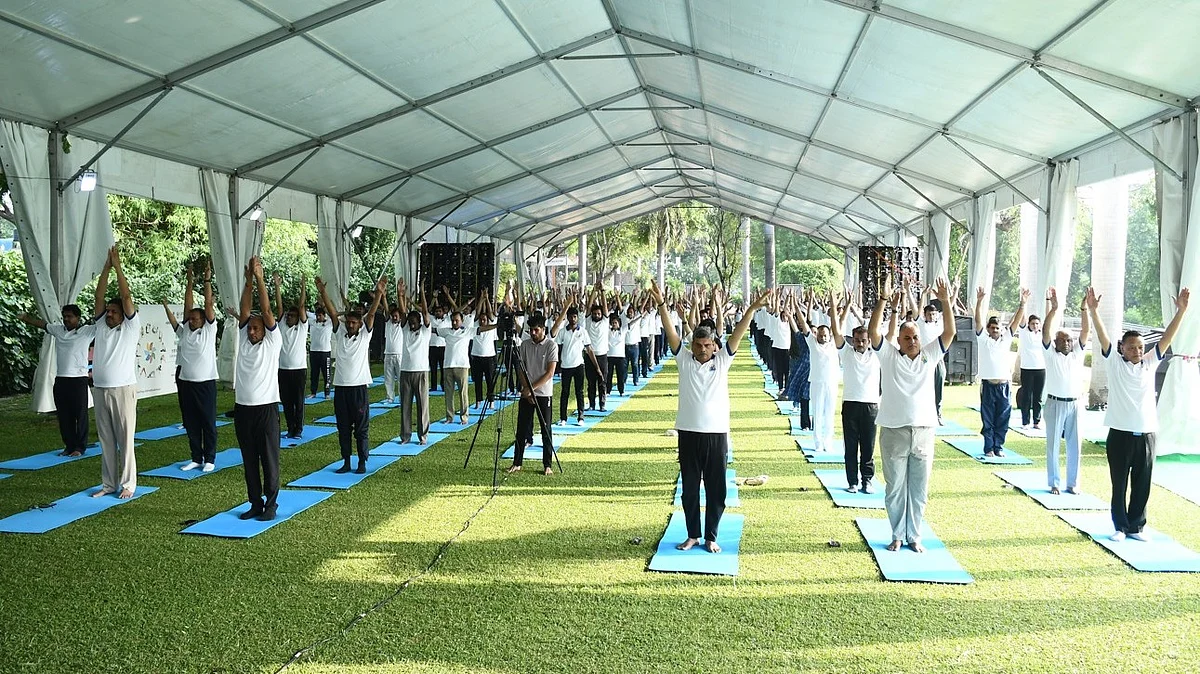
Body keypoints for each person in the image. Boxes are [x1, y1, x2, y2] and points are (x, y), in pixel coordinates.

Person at [652, 280, 770, 553]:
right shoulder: (684, 359)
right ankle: (693, 534)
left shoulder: (722, 360)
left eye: (707, 345)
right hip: (689, 433)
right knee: (690, 488)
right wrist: (661, 305)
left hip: (717, 434)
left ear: (715, 346)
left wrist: (752, 307)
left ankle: (711, 536)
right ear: (692, 345)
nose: (702, 349)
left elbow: (738, 333)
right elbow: (671, 331)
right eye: (698, 345)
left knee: (716, 490)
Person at [1087, 285, 1190, 541]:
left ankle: (1137, 526)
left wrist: (1181, 311)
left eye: (1141, 348)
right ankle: (1120, 527)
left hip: (1146, 433)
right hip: (1120, 433)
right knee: (1119, 482)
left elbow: (1167, 337)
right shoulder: (1114, 362)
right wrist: (1093, 311)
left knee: (1142, 483)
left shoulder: (1150, 363)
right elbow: (1102, 336)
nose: (1137, 351)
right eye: (1132, 347)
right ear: (1123, 348)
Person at [873, 277, 956, 552]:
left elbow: (949, 333)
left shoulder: (929, 356)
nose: (912, 341)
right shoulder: (888, 356)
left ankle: (914, 535)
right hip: (894, 432)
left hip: (923, 432)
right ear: (898, 340)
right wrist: (884, 301)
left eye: (916, 337)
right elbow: (874, 333)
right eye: (907, 338)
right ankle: (897, 534)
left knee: (919, 491)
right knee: (895, 488)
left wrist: (944, 301)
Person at [233, 257, 283, 520]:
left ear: (265, 330)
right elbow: (245, 309)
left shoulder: (273, 341)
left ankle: (271, 506)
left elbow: (264, 311)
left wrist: (261, 279)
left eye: (255, 329)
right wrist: (248, 280)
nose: (251, 331)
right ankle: (255, 503)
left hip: (266, 410)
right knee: (249, 461)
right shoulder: (243, 338)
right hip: (243, 410)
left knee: (269, 461)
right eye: (249, 329)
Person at [89, 247, 141, 499]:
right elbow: (98, 297)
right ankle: (109, 484)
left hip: (123, 389)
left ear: (123, 315)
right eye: (107, 311)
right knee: (106, 439)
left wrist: (118, 267)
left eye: (113, 312)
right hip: (100, 389)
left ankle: (128, 483)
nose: (108, 314)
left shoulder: (131, 327)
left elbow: (127, 296)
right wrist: (106, 268)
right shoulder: (101, 324)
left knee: (125, 439)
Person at [317, 275, 383, 473]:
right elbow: (331, 312)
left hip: (359, 389)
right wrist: (323, 292)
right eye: (349, 322)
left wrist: (378, 294)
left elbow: (371, 316)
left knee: (361, 429)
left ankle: (362, 462)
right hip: (342, 389)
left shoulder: (365, 335)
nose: (351, 325)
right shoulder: (340, 333)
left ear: (360, 324)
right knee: (343, 428)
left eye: (354, 322)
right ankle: (346, 461)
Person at [19, 304, 97, 458]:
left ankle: (79, 448)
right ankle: (69, 446)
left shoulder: (87, 331)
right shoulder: (58, 330)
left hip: (78, 380)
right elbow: (43, 325)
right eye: (65, 316)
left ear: (78, 318)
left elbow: (104, 324)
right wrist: (26, 318)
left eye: (70, 316)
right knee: (64, 415)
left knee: (80, 415)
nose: (67, 319)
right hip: (61, 379)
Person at [162, 263, 218, 469]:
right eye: (191, 318)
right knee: (191, 423)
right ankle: (196, 458)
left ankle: (210, 459)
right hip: (187, 383)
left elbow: (208, 305)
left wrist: (206, 280)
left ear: (204, 320)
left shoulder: (209, 330)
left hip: (205, 384)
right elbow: (187, 305)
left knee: (208, 423)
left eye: (196, 318)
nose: (192, 321)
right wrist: (188, 279)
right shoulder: (185, 331)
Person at [830, 291, 881, 493]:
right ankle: (852, 481)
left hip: (871, 405)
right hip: (850, 404)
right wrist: (835, 307)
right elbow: (836, 332)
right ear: (853, 340)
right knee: (851, 447)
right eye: (857, 340)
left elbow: (889, 331)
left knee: (868, 447)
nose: (860, 343)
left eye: (863, 340)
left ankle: (867, 480)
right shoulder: (846, 352)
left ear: (869, 340)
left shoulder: (876, 355)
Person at [1041, 287, 1089, 495]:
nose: (1068, 343)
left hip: (1076, 403)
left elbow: (1086, 332)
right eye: (1064, 340)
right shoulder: (1050, 354)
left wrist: (1083, 308)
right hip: (1054, 403)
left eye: (1070, 340)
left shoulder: (1077, 354)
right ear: (1056, 343)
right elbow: (1045, 331)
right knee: (1053, 445)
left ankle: (1073, 483)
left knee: (1075, 445)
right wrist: (1054, 309)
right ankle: (1054, 482)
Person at [974, 287, 1026, 457]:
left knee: (1003, 418)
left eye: (997, 328)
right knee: (988, 418)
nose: (995, 331)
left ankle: (999, 447)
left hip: (1004, 386)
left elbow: (1016, 322)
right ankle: (989, 447)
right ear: (988, 329)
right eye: (993, 328)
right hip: (989, 385)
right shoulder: (983, 340)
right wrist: (980, 301)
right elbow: (978, 322)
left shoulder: (1006, 339)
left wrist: (1022, 305)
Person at [507, 313, 558, 475]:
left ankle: (547, 465)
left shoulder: (551, 345)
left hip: (544, 393)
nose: (533, 333)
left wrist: (531, 388)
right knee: (522, 429)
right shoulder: (525, 345)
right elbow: (521, 369)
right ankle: (517, 462)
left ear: (543, 329)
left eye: (536, 330)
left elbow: (549, 373)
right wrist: (526, 389)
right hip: (527, 394)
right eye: (531, 330)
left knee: (545, 429)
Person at [792, 291, 840, 453]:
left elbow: (838, 323)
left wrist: (835, 306)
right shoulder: (812, 343)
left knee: (829, 414)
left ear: (829, 335)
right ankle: (818, 443)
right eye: (820, 335)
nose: (823, 337)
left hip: (832, 383)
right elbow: (804, 325)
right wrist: (796, 306)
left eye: (825, 335)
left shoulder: (834, 344)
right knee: (817, 413)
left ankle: (828, 441)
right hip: (817, 383)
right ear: (816, 335)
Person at [274, 273, 308, 440]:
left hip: (299, 369)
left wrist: (303, 285)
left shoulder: (301, 327)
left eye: (292, 316)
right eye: (288, 315)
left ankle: (299, 430)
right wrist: (277, 286)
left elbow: (301, 306)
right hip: (283, 369)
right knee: (286, 402)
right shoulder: (281, 326)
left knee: (298, 402)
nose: (288, 317)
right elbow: (279, 307)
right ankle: (290, 428)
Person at [552, 299, 597, 427]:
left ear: (577, 317)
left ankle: (581, 417)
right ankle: (563, 418)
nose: (573, 319)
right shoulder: (562, 331)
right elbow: (558, 348)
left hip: (579, 365)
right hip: (566, 366)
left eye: (575, 316)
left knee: (579, 392)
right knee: (564, 392)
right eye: (571, 316)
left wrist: (596, 366)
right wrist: (558, 365)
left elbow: (588, 348)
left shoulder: (582, 331)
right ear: (567, 317)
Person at [399, 283, 433, 444]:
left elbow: (425, 312)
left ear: (419, 321)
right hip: (405, 371)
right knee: (405, 406)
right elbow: (402, 312)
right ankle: (405, 436)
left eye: (414, 320)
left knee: (422, 406)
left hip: (421, 372)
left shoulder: (425, 331)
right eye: (410, 321)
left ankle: (423, 436)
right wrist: (400, 295)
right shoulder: (405, 330)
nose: (411, 323)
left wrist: (422, 292)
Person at [438, 309, 474, 425]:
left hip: (462, 366)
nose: (454, 323)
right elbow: (431, 329)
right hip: (448, 366)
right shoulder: (446, 331)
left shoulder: (467, 331)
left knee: (463, 393)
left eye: (457, 321)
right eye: (453, 321)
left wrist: (496, 325)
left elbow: (482, 329)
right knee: (448, 393)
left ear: (462, 321)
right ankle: (449, 417)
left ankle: (464, 417)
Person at [469, 288, 499, 409]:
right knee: (478, 381)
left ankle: (491, 401)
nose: (482, 320)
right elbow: (476, 313)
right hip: (476, 357)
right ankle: (478, 401)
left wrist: (487, 299)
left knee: (490, 381)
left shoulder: (492, 325)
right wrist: (481, 298)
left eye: (484, 319)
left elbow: (491, 313)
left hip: (489, 357)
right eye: (481, 319)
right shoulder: (476, 325)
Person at [1018, 305, 1047, 429]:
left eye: (1037, 323)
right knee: (1026, 396)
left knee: (1038, 396)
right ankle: (1025, 421)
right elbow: (1022, 319)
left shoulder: (1042, 335)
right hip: (1027, 369)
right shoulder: (1025, 333)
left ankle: (1037, 421)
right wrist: (1024, 303)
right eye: (1033, 323)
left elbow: (1048, 319)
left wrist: (1048, 301)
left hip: (1040, 369)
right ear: (1029, 324)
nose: (1035, 326)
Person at [917, 299, 945, 424]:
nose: (932, 316)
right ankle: (922, 412)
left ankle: (938, 414)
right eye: (929, 314)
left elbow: (950, 305)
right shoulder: (921, 324)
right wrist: (922, 295)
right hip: (924, 359)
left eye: (934, 314)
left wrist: (954, 290)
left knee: (938, 386)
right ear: (925, 315)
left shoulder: (939, 324)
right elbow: (915, 308)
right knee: (922, 385)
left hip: (938, 358)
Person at [584, 283, 611, 412]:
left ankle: (602, 404)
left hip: (602, 355)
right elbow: (589, 306)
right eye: (595, 314)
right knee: (591, 382)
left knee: (602, 381)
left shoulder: (605, 321)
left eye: (598, 314)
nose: (596, 315)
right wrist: (594, 290)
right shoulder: (588, 320)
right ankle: (591, 404)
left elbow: (605, 306)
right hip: (589, 355)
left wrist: (602, 292)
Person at [381, 283, 405, 405]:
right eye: (393, 316)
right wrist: (383, 297)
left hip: (400, 354)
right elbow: (386, 310)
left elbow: (404, 310)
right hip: (388, 354)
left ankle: (402, 398)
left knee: (401, 378)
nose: (394, 318)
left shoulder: (403, 324)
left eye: (396, 316)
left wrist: (401, 295)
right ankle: (389, 397)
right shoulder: (388, 323)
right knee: (388, 378)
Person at [307, 305, 333, 399]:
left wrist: (325, 304)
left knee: (327, 374)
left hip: (325, 352)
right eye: (317, 315)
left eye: (320, 315)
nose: (318, 317)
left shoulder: (329, 322)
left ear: (324, 315)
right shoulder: (312, 322)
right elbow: (303, 312)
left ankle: (327, 393)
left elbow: (334, 314)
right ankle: (313, 392)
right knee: (314, 373)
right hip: (314, 351)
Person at [428, 299, 449, 392]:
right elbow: (427, 310)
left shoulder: (447, 319)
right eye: (436, 311)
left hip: (443, 347)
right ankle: (433, 386)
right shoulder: (431, 318)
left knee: (443, 368)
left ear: (443, 312)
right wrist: (434, 298)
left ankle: (444, 385)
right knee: (433, 368)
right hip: (432, 346)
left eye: (439, 311)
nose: (438, 313)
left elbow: (457, 309)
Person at [606, 312, 627, 397]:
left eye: (616, 323)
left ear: (619, 324)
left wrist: (640, 315)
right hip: (609, 356)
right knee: (609, 375)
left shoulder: (622, 331)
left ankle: (621, 391)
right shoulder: (608, 331)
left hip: (620, 357)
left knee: (620, 375)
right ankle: (608, 391)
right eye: (613, 323)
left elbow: (630, 323)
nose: (614, 324)